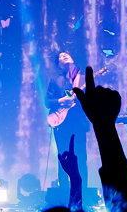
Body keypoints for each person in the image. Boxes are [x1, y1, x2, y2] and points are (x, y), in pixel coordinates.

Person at [45, 52, 90, 192]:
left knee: (81, 157)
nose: (64, 56)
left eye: (66, 55)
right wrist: (61, 101)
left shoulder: (84, 79)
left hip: (78, 124)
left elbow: (91, 100)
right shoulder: (55, 80)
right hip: (61, 123)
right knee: (63, 158)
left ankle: (82, 192)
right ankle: (64, 192)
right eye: (61, 56)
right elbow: (47, 101)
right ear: (58, 64)